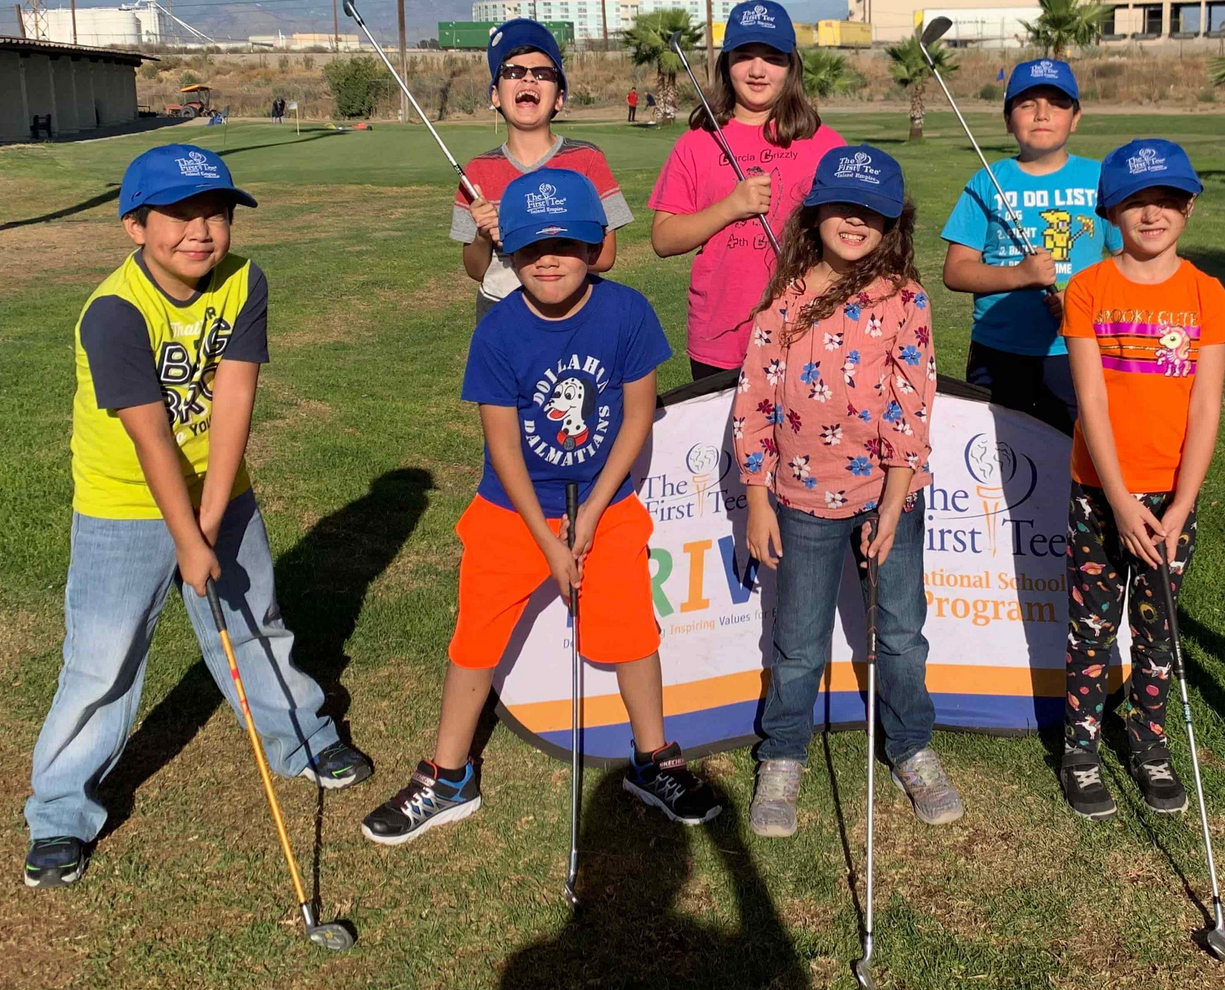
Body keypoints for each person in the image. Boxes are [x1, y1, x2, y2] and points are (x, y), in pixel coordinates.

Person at [23, 144, 372, 888]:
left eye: (214, 212)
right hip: (125, 501)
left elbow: (235, 401)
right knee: (101, 661)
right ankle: (58, 813)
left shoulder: (245, 281)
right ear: (133, 226)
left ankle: (303, 739)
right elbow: (149, 435)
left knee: (254, 624)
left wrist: (211, 520)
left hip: (222, 487)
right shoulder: (114, 313)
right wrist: (186, 537)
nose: (200, 230)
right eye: (178, 216)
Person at [363, 168, 724, 844]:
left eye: (566, 245)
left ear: (594, 248)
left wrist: (590, 516)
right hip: (513, 509)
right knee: (475, 637)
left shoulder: (626, 313)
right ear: (509, 254)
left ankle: (653, 762)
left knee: (631, 632)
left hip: (606, 504)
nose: (548, 260)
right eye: (529, 248)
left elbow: (639, 415)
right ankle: (447, 777)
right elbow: (502, 448)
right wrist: (551, 541)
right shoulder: (498, 331)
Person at [730, 145, 962, 838]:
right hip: (801, 502)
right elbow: (756, 402)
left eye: (873, 213)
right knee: (798, 642)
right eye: (843, 207)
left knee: (899, 635)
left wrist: (892, 507)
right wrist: (760, 499)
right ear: (816, 213)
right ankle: (783, 756)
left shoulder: (907, 300)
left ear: (892, 223)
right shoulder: (784, 301)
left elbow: (912, 406)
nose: (855, 222)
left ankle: (911, 746)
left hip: (890, 497)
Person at [1056, 139, 1225, 821]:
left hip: (1173, 497)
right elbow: (1091, 401)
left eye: (1166, 200)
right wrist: (1121, 499)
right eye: (1135, 200)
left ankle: (1150, 744)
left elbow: (1207, 403)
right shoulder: (1090, 289)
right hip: (1101, 490)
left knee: (1158, 630)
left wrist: (1183, 501)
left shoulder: (1207, 295)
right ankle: (1080, 746)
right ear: (1111, 211)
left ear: (1187, 207)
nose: (1151, 213)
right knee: (1093, 628)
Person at [648, 0, 845, 382]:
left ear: (791, 67)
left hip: (807, 332)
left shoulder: (825, 144)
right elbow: (663, 239)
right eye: (744, 56)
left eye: (772, 57)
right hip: (720, 341)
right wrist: (731, 206)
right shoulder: (697, 143)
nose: (757, 70)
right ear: (726, 64)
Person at [940, 59, 1120, 435]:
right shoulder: (988, 180)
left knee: (1074, 453)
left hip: (1077, 350)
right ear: (1008, 120)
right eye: (1026, 104)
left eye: (1056, 103)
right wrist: (1020, 275)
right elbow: (956, 271)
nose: (1042, 114)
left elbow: (1129, 264)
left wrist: (1085, 299)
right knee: (1001, 458)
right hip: (998, 351)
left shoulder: (1101, 178)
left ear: (1076, 117)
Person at [454, 19, 632, 321]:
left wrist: (532, 234)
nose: (528, 80)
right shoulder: (477, 172)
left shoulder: (587, 159)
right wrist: (484, 236)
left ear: (559, 98)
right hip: (500, 313)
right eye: (512, 72)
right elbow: (474, 270)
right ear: (495, 95)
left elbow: (605, 257)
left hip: (574, 313)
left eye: (543, 73)